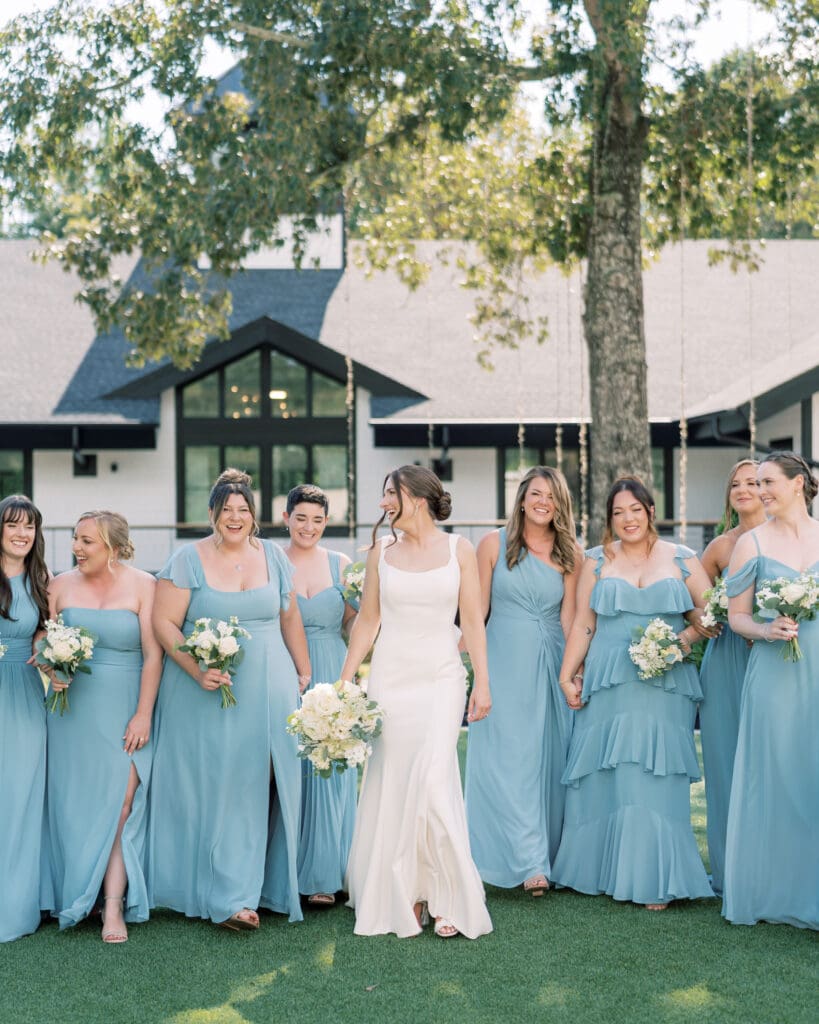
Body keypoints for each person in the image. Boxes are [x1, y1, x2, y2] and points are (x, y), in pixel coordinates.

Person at [149, 469, 310, 929]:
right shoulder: (188, 559)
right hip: (206, 688)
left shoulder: (274, 555)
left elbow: (289, 615)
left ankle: (265, 888)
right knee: (219, 786)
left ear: (254, 515)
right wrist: (197, 669)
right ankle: (227, 893)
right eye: (227, 511)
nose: (235, 518)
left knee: (264, 782)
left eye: (243, 510)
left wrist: (304, 670)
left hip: (271, 683)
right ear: (212, 514)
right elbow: (164, 624)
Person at [341, 465, 493, 939]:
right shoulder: (380, 553)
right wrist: (344, 683)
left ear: (419, 498)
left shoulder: (458, 549)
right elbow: (367, 621)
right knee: (397, 779)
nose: (384, 502)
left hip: (442, 677)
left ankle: (449, 895)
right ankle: (406, 890)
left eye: (391, 493)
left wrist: (482, 682)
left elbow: (472, 619)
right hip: (390, 678)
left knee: (433, 777)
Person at [552, 477, 713, 909]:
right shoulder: (595, 561)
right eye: (618, 513)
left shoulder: (682, 557)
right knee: (612, 771)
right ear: (610, 519)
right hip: (609, 677)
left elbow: (709, 615)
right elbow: (586, 624)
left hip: (665, 682)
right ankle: (601, 869)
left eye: (635, 510)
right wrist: (569, 675)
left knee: (655, 772)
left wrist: (678, 642)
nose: (628, 519)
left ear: (650, 512)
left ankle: (653, 877)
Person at [43, 510, 161, 942]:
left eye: (86, 540)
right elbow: (42, 638)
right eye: (75, 538)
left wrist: (143, 712)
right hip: (71, 710)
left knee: (121, 805)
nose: (76, 547)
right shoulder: (58, 584)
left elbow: (154, 654)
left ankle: (114, 907)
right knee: (73, 803)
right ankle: (78, 891)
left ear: (112, 546)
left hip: (126, 707)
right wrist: (50, 666)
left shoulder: (145, 585)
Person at [465, 466, 580, 896]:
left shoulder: (571, 553)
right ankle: (522, 859)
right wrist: (469, 666)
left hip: (550, 658)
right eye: (535, 493)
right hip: (503, 658)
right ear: (522, 497)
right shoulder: (492, 544)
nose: (542, 502)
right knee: (505, 758)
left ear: (560, 502)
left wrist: (574, 670)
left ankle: (541, 857)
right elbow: (476, 611)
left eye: (550, 495)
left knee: (543, 757)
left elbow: (570, 617)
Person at [724, 451, 819, 929]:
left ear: (799, 483)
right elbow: (735, 616)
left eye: (767, 482)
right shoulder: (752, 544)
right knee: (777, 773)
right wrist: (765, 629)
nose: (759, 491)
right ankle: (772, 889)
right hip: (774, 672)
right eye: (755, 483)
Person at [283, 484, 357, 907]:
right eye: (301, 518)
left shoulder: (341, 565)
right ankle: (290, 873)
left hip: (332, 668)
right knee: (294, 770)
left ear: (326, 523)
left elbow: (351, 623)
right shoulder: (272, 561)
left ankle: (330, 873)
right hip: (289, 673)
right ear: (286, 517)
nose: (308, 527)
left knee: (332, 770)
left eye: (317, 520)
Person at [698, 459, 765, 895]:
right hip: (724, 661)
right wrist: (708, 617)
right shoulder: (721, 547)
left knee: (766, 761)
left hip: (771, 657)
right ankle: (726, 870)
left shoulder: (784, 540)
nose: (743, 490)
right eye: (736, 484)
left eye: (753, 482)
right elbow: (697, 600)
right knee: (724, 762)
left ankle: (767, 867)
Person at [0, 495, 49, 943]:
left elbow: (43, 629)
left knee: (20, 793)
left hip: (24, 694)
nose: (21, 534)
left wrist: (41, 645)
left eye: (29, 527)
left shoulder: (40, 580)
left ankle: (15, 904)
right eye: (13, 525)